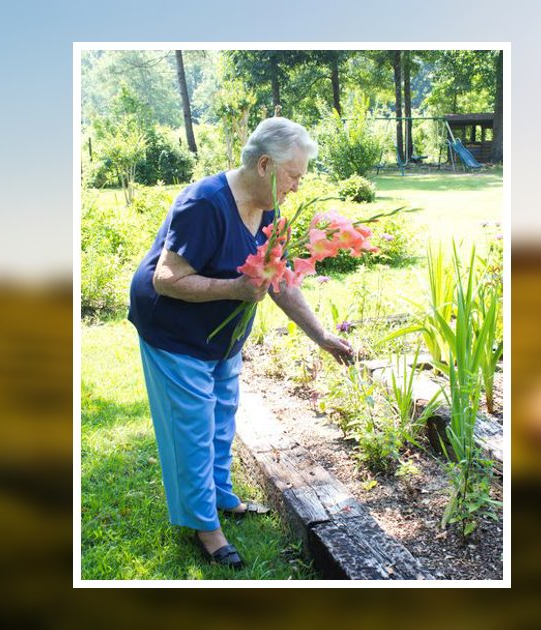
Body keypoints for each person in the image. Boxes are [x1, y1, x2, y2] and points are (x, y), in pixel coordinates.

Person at [127, 117, 353, 570]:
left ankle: (220, 496)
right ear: (265, 165)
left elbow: (281, 282)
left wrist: (321, 336)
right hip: (174, 330)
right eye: (294, 175)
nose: (296, 185)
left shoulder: (269, 210)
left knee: (222, 416)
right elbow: (167, 278)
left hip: (223, 336)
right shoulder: (204, 204)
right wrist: (234, 290)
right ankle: (204, 527)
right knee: (192, 424)